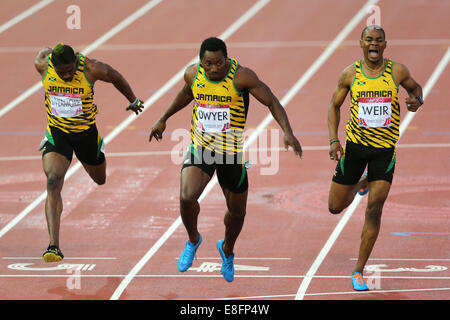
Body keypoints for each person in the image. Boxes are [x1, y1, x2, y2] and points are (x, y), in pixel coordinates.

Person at [149, 37, 302, 282]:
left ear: (226, 59)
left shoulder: (241, 77)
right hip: (202, 149)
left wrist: (287, 131)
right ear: (201, 62)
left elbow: (271, 100)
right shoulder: (192, 74)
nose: (214, 68)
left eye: (219, 63)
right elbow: (187, 94)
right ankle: (193, 240)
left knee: (237, 212)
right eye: (208, 64)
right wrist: (163, 118)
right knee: (186, 196)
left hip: (230, 154)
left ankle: (227, 250)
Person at [327, 25, 423, 290]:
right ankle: (362, 182)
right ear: (361, 43)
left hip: (384, 151)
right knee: (335, 207)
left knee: (374, 208)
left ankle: (358, 270)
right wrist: (334, 139)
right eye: (369, 39)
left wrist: (417, 100)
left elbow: (416, 90)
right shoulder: (349, 74)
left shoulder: (397, 71)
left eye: (378, 40)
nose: (374, 44)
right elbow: (334, 106)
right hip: (355, 149)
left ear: (384, 45)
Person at [34, 43, 144, 262]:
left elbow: (114, 76)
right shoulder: (43, 65)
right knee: (53, 180)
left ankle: (94, 151)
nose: (65, 75)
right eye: (61, 72)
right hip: (58, 134)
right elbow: (43, 53)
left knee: (100, 179)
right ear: (52, 65)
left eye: (69, 70)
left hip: (86, 135)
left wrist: (132, 100)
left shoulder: (92, 69)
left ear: (76, 60)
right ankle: (53, 246)